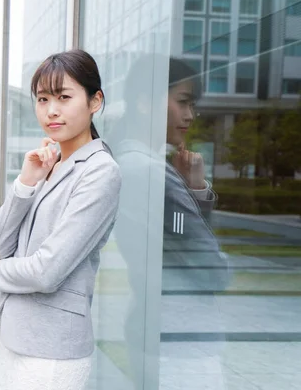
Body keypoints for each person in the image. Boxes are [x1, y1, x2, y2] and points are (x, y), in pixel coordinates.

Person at [0, 49, 122, 390]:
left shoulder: (100, 172)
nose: (51, 110)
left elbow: (48, 271)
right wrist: (27, 182)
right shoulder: (50, 163)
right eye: (43, 98)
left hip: (51, 352)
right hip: (11, 336)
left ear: (95, 102)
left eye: (64, 97)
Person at [109, 55, 231, 389]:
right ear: (146, 102)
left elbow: (176, 241)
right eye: (183, 102)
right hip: (182, 343)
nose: (191, 115)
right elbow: (215, 271)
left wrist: (194, 190)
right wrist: (188, 192)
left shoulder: (129, 163)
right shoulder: (152, 173)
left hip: (155, 328)